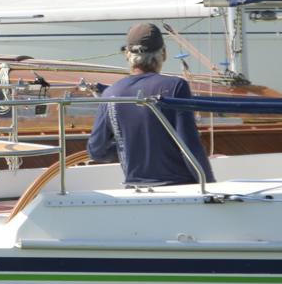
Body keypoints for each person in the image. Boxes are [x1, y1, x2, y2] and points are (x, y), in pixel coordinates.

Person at [87, 22, 213, 187]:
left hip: (135, 190)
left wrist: (131, 147)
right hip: (179, 187)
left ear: (127, 55)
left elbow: (96, 151)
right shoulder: (176, 86)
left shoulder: (110, 93)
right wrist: (209, 184)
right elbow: (189, 146)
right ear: (164, 53)